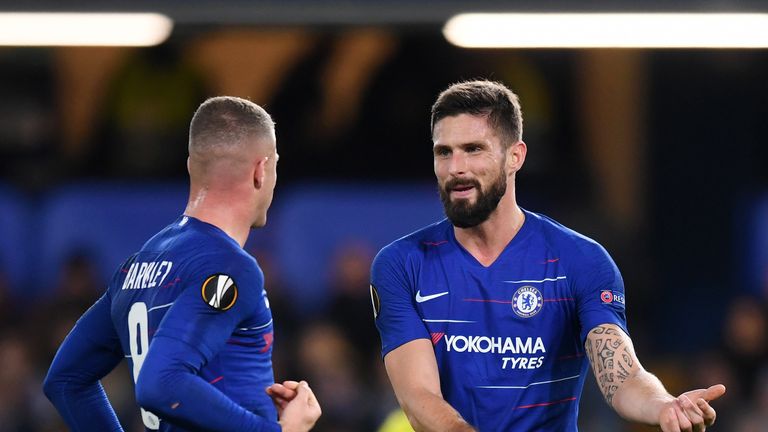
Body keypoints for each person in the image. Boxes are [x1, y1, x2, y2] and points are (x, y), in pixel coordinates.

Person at [370, 80, 725, 432]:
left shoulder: (579, 260)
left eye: (473, 149)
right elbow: (418, 397)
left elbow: (621, 374)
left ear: (515, 156)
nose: (455, 167)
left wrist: (663, 405)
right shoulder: (402, 265)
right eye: (443, 152)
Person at [44, 96, 321, 432]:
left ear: (192, 166)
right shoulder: (231, 266)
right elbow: (160, 385)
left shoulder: (138, 264)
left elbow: (66, 381)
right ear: (261, 171)